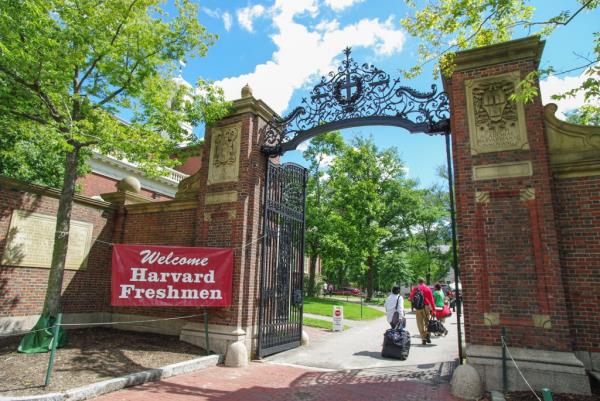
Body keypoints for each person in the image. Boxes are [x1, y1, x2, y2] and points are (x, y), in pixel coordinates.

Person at [409, 277, 435, 345]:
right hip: (426, 307)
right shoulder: (427, 288)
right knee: (427, 323)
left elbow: (411, 298)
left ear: (418, 281)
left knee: (420, 323)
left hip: (418, 308)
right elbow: (431, 300)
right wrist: (433, 310)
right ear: (424, 281)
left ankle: (423, 338)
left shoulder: (415, 288)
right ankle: (427, 334)